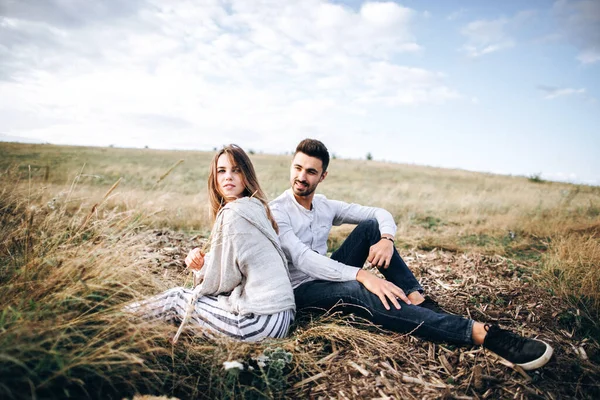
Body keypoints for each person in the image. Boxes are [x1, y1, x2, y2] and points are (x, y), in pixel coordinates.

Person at [269, 138, 553, 370]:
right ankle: (480, 333)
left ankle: (417, 299)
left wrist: (387, 239)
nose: (301, 177)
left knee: (370, 227)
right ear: (291, 167)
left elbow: (378, 213)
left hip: (326, 275)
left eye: (310, 171)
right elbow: (303, 258)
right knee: (359, 290)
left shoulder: (324, 205)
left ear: (323, 176)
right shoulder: (278, 210)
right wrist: (363, 276)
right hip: (300, 292)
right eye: (297, 168)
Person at [126, 145, 295, 342]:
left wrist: (201, 269)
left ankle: (117, 319)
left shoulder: (233, 213)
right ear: (214, 178)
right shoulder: (256, 207)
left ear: (246, 175)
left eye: (236, 170)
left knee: (176, 299)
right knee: (195, 301)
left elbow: (224, 281)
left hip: (261, 322)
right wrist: (204, 263)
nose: (228, 176)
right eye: (221, 171)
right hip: (281, 316)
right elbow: (239, 266)